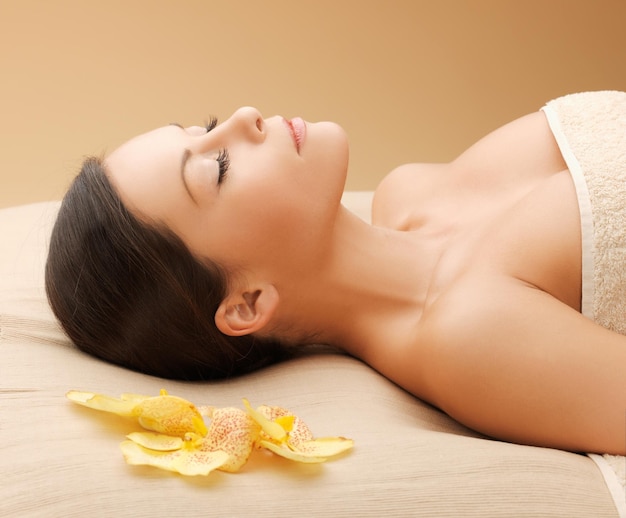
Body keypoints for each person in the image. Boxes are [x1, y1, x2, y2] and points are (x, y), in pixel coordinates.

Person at [46, 91, 626, 455]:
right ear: (246, 303)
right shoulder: (469, 337)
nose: (246, 117)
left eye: (209, 125)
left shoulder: (414, 190)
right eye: (218, 168)